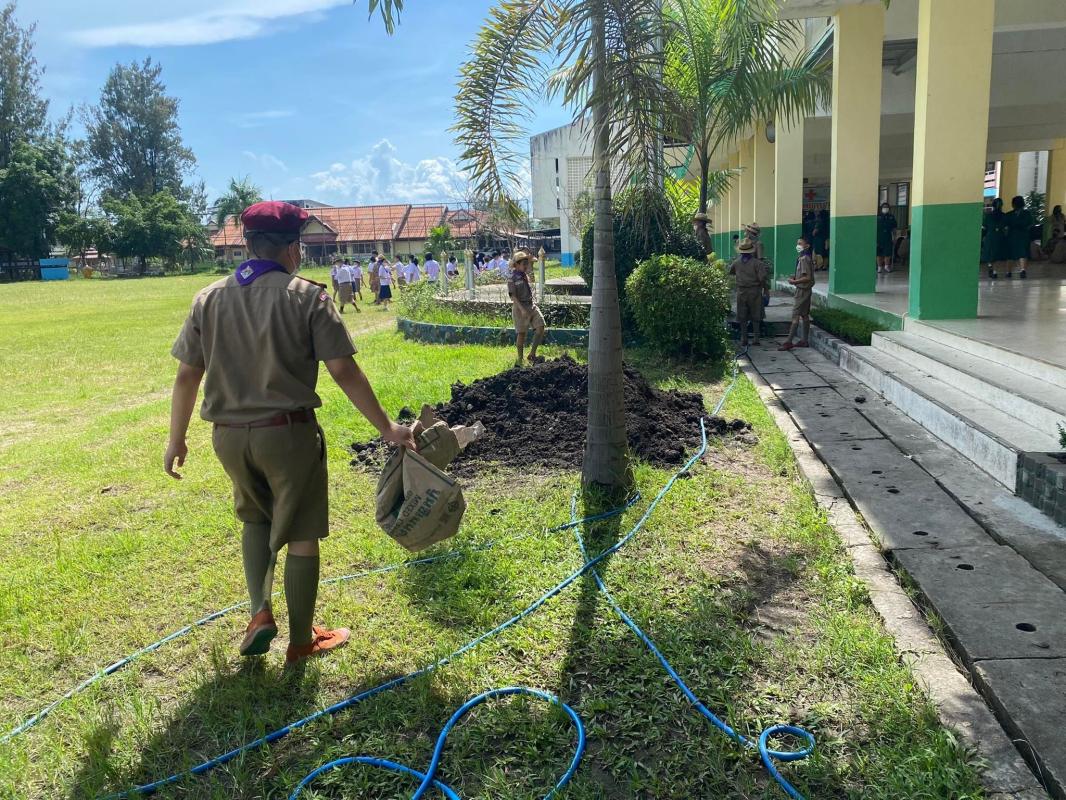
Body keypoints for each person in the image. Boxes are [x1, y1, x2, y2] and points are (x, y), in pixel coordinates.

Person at [164, 201, 416, 666]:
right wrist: (387, 427)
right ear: (294, 248)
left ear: (247, 245)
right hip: (287, 435)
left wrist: (176, 438)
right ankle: (301, 641)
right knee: (301, 530)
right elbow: (343, 370)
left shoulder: (208, 298)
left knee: (254, 519)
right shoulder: (307, 297)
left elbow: (186, 376)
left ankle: (259, 613)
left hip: (228, 438)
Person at [728, 238, 769, 348]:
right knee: (756, 315)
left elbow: (731, 272)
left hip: (741, 291)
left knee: (742, 316)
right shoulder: (757, 263)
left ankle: (744, 338)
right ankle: (756, 338)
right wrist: (766, 290)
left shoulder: (736, 262)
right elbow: (762, 278)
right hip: (754, 291)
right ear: (752, 251)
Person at [507, 250, 546, 367]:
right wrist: (522, 310)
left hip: (531, 305)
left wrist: (531, 266)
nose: (526, 266)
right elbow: (513, 296)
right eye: (524, 264)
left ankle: (532, 354)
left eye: (526, 264)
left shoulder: (525, 275)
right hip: (520, 308)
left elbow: (531, 282)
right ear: (516, 265)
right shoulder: (512, 278)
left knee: (540, 326)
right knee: (522, 334)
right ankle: (520, 359)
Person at [779, 236, 816, 351]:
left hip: (802, 291)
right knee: (804, 315)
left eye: (800, 243)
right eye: (797, 243)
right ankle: (804, 340)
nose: (798, 245)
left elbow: (807, 277)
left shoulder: (804, 259)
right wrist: (795, 277)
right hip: (805, 290)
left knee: (795, 316)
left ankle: (789, 341)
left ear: (807, 246)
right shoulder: (803, 258)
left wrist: (794, 281)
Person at [1006, 195, 1033, 279]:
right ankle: (1022, 270)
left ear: (1013, 204)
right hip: (1023, 235)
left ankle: (1009, 272)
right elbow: (1030, 224)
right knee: (1023, 253)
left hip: (1012, 235)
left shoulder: (1009, 214)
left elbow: (1006, 226)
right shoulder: (1027, 214)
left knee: (1010, 254)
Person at [986, 197, 1011, 279]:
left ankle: (990, 265)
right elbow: (1006, 226)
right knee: (997, 255)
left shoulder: (988, 215)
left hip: (990, 235)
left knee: (990, 253)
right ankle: (994, 271)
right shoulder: (1004, 216)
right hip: (1000, 236)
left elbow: (985, 225)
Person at [876, 202, 897, 274]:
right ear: (881, 208)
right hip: (879, 237)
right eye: (884, 207)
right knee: (879, 253)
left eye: (887, 207)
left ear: (889, 209)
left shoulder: (891, 217)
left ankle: (886, 266)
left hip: (888, 237)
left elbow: (894, 228)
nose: (885, 208)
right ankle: (879, 267)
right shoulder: (878, 217)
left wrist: (894, 237)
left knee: (887, 253)